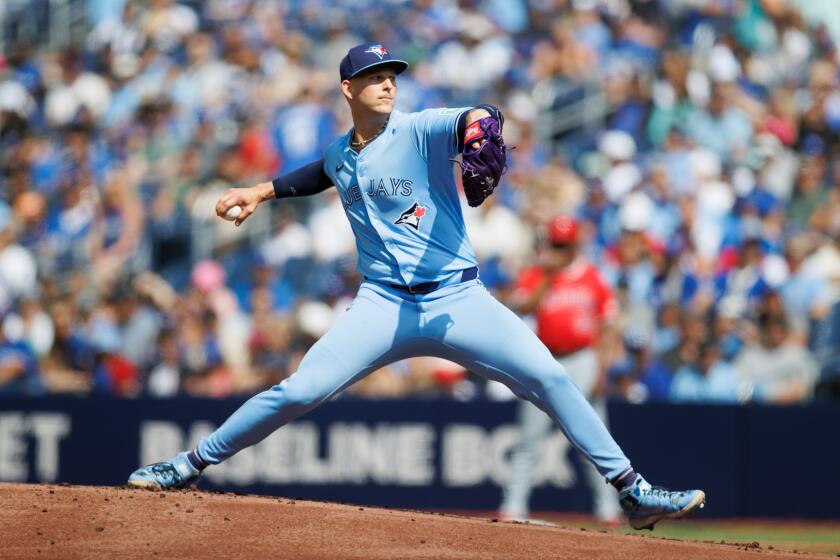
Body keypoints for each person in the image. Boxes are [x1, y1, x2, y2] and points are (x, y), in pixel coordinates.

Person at [127, 42, 705, 531]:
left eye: (390, 77)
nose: (386, 85)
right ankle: (186, 465)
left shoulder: (420, 131)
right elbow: (317, 173)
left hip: (458, 299)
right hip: (382, 304)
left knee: (550, 376)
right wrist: (259, 192)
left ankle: (631, 492)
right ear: (347, 90)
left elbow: (475, 116)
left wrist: (481, 129)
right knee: (300, 391)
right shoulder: (341, 153)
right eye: (372, 78)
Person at [499, 215, 623, 525]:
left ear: (575, 245)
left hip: (584, 358)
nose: (560, 250)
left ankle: (608, 510)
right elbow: (523, 308)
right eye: (556, 243)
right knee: (529, 439)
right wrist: (547, 276)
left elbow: (608, 327)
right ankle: (513, 506)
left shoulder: (592, 276)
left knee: (593, 438)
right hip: (545, 360)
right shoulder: (537, 274)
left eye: (564, 245)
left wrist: (602, 370)